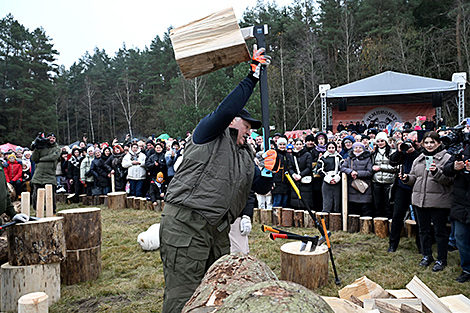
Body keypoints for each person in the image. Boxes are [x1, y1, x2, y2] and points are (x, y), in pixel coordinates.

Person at [159, 48, 275, 313]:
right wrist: (252, 76)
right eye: (247, 125)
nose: (250, 131)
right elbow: (225, 110)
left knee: (218, 291)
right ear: (234, 122)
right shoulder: (208, 133)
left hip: (218, 230)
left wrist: (272, 171)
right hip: (187, 225)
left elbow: (261, 187)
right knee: (183, 294)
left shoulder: (247, 156)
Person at [400, 131, 453, 271]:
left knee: (440, 231)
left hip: (438, 201)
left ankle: (441, 259)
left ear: (438, 143)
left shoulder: (447, 158)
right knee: (423, 230)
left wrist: (436, 173)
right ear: (422, 144)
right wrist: (406, 178)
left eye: (432, 142)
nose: (429, 145)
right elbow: (414, 178)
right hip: (419, 201)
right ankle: (426, 255)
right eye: (427, 142)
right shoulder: (419, 159)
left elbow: (449, 181)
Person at [443, 141, 470, 282]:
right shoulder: (463, 147)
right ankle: (467, 269)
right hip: (461, 203)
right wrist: (454, 167)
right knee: (461, 238)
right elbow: (446, 169)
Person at [340, 142, 374, 216]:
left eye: (360, 148)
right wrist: (351, 172)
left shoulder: (368, 159)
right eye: (356, 148)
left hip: (365, 188)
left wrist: (357, 173)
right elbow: (342, 168)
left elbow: (370, 172)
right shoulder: (350, 159)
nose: (358, 149)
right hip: (352, 189)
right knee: (353, 213)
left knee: (365, 212)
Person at [31, 133, 60, 214]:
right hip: (38, 174)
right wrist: (36, 149)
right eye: (50, 138)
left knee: (50, 195)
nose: (51, 139)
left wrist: (41, 159)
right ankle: (37, 210)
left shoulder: (57, 148)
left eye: (53, 138)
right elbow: (34, 159)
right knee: (35, 195)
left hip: (50, 175)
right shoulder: (41, 147)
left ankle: (52, 211)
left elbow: (53, 157)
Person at [371, 132, 397, 218]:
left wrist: (380, 167)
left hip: (389, 181)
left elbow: (395, 167)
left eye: (382, 141)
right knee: (377, 203)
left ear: (386, 141)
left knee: (388, 204)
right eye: (378, 141)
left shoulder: (392, 152)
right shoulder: (374, 154)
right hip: (376, 181)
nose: (380, 143)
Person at [317, 142, 343, 213]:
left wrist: (337, 178)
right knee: (327, 200)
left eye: (333, 148)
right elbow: (319, 169)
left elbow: (342, 168)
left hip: (337, 180)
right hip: (327, 180)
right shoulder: (323, 158)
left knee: (337, 201)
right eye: (329, 148)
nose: (331, 150)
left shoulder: (339, 157)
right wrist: (328, 178)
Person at [289, 139, 313, 209]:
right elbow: (290, 167)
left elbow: (309, 167)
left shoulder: (307, 154)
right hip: (295, 180)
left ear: (303, 145)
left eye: (300, 144)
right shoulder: (292, 156)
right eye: (297, 144)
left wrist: (301, 175)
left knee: (305, 201)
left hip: (305, 180)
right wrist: (293, 174)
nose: (299, 146)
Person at [271, 137, 290, 207]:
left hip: (286, 183)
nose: (282, 146)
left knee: (285, 202)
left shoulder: (288, 155)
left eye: (284, 144)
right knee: (277, 202)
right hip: (277, 183)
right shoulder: (275, 154)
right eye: (280, 144)